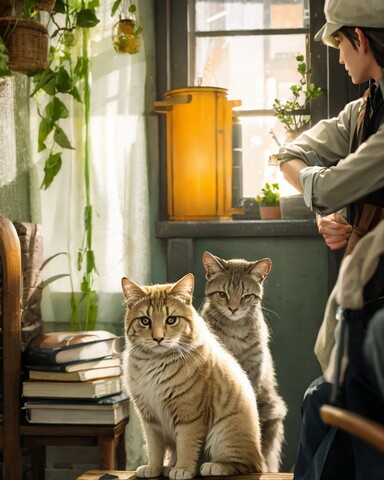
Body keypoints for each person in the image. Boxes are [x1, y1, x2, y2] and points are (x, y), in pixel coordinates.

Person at [276, 0, 384, 478]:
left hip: (376, 312)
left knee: (331, 413)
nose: (339, 57)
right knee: (321, 406)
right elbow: (290, 152)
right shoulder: (367, 106)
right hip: (366, 304)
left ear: (360, 38)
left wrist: (328, 199)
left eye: (340, 43)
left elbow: (323, 186)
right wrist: (329, 207)